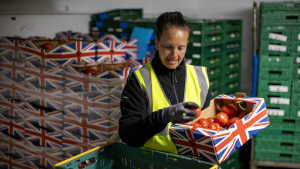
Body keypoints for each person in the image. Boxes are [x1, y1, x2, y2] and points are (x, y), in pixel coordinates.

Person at [119, 11, 212, 154]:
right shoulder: (139, 80)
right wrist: (163, 116)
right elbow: (129, 136)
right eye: (168, 47)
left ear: (187, 45)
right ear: (157, 43)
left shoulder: (200, 77)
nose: (174, 55)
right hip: (156, 163)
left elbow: (209, 126)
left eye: (181, 48)